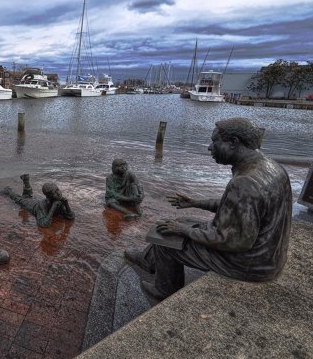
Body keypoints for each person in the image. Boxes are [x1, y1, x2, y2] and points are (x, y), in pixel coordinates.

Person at [125, 118, 293, 301]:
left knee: (168, 241)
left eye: (215, 141)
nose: (209, 147)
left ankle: (164, 290)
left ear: (233, 142)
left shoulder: (244, 183)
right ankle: (147, 259)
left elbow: (232, 241)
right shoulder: (271, 166)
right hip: (269, 255)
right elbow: (235, 207)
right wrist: (195, 203)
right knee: (178, 223)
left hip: (248, 264)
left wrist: (184, 231)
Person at [2, 174, 74, 227]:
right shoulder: (42, 206)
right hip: (32, 205)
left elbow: (70, 216)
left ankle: (26, 180)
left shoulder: (58, 201)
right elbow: (44, 224)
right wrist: (53, 208)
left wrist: (66, 204)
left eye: (57, 190)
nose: (58, 193)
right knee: (19, 199)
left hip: (35, 201)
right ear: (48, 196)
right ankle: (8, 190)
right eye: (54, 193)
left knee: (28, 196)